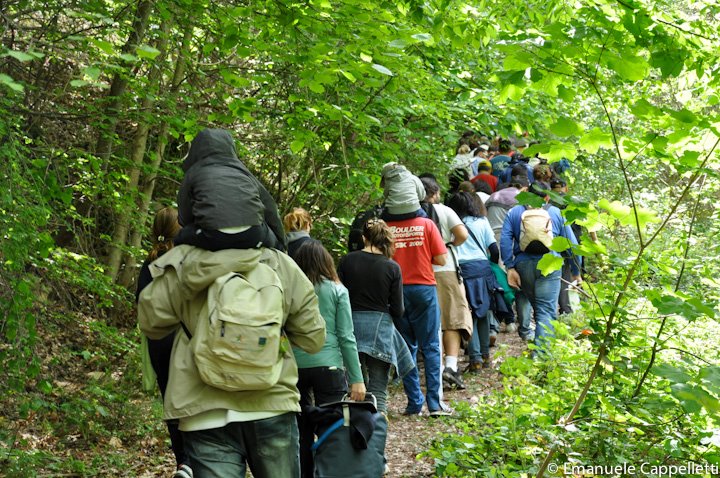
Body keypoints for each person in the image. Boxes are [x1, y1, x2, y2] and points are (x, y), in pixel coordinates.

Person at [138, 240, 326, 477]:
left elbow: (150, 323)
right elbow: (313, 338)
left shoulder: (180, 264)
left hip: (203, 411)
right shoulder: (279, 263)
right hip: (271, 403)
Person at [292, 241, 366, 478]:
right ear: (326, 262)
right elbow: (346, 336)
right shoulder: (337, 290)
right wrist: (357, 379)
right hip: (330, 365)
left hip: (294, 367)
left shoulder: (290, 291)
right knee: (332, 431)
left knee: (300, 432)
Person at [135, 207, 192, 478]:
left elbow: (140, 304)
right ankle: (195, 457)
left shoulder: (148, 264)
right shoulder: (184, 259)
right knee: (192, 395)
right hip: (182, 336)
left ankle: (182, 461)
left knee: (170, 399)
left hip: (157, 340)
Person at [337, 219, 414, 414]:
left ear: (364, 238)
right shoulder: (392, 267)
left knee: (353, 385)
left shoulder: (347, 261)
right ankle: (378, 433)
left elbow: (339, 296)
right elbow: (398, 311)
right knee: (378, 389)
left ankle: (354, 430)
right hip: (379, 331)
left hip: (350, 330)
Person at [175, 128, 287, 252]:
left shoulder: (194, 171)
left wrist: (196, 226)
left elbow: (184, 214)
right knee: (276, 244)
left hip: (212, 236)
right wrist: (282, 243)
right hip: (253, 234)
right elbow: (270, 208)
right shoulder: (243, 171)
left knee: (179, 237)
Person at [500, 183, 582, 352]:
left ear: (527, 194)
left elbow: (505, 241)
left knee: (539, 309)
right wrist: (576, 271)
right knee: (546, 310)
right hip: (550, 264)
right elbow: (572, 245)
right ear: (547, 197)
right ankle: (542, 355)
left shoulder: (515, 212)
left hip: (523, 266)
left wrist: (510, 267)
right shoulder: (555, 212)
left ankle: (541, 349)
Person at [386, 200, 449, 416]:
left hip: (396, 290)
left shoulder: (386, 227)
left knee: (406, 348)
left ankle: (414, 403)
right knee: (431, 345)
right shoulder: (426, 224)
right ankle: (434, 404)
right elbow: (441, 259)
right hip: (423, 288)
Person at [421, 177, 472, 390]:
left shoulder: (409, 215)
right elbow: (462, 234)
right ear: (435, 193)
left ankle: (436, 366)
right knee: (452, 319)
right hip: (446, 269)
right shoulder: (444, 210)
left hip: (420, 272)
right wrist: (447, 243)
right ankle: (450, 367)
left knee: (431, 321)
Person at [448, 192, 503, 371]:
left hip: (462, 271)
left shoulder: (452, 225)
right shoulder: (482, 222)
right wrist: (491, 266)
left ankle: (475, 358)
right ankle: (485, 355)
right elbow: (494, 250)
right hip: (482, 269)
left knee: (468, 315)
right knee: (484, 312)